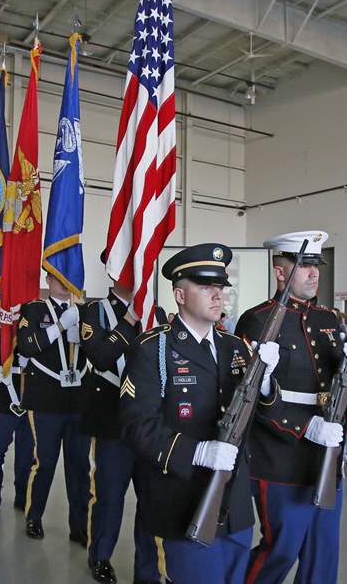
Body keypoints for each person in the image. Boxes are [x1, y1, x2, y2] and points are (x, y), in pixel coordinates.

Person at [237, 231, 347, 584]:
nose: (314, 273)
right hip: (280, 453)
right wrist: (306, 426)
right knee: (282, 548)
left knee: (323, 551)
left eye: (316, 266)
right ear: (280, 272)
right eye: (304, 265)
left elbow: (344, 384)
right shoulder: (257, 320)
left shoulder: (329, 319)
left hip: (326, 451)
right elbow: (250, 396)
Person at [120, 244, 254, 584]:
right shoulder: (153, 349)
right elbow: (137, 426)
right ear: (180, 295)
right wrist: (197, 452)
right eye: (206, 286)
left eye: (220, 286)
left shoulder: (236, 348)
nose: (218, 294)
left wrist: (268, 389)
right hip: (182, 500)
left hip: (235, 504)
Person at [79, 255, 166, 584]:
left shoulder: (156, 313)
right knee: (109, 497)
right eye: (125, 266)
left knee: (152, 500)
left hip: (150, 425)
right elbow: (101, 356)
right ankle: (100, 556)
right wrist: (130, 319)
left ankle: (147, 570)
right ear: (113, 270)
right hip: (112, 423)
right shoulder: (95, 312)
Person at [16, 271, 91, 544]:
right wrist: (59, 326)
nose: (65, 283)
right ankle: (34, 517)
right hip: (46, 401)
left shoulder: (83, 312)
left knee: (79, 466)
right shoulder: (34, 310)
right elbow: (26, 346)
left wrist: (82, 337)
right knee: (45, 463)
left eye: (68, 277)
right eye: (59, 277)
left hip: (77, 401)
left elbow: (95, 352)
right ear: (48, 280)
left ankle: (79, 526)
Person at [0, 325, 33, 511]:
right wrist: (17, 337)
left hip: (30, 395)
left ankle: (22, 494)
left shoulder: (34, 329)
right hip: (3, 397)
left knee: (26, 453)